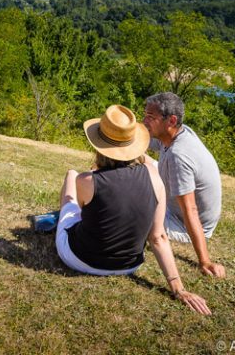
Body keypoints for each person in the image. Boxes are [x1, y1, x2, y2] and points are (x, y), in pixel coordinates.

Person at [55, 104, 211, 314]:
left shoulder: (86, 180)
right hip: (129, 265)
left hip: (81, 259)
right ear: (133, 144)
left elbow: (83, 214)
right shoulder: (155, 178)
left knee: (71, 176)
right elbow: (158, 238)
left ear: (98, 144)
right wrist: (178, 288)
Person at [143, 92, 225, 279]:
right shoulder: (179, 132)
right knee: (140, 163)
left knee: (133, 208)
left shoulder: (178, 156)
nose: (144, 120)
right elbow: (145, 141)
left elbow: (190, 209)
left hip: (183, 226)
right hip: (176, 209)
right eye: (145, 114)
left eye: (150, 117)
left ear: (171, 120)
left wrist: (204, 261)